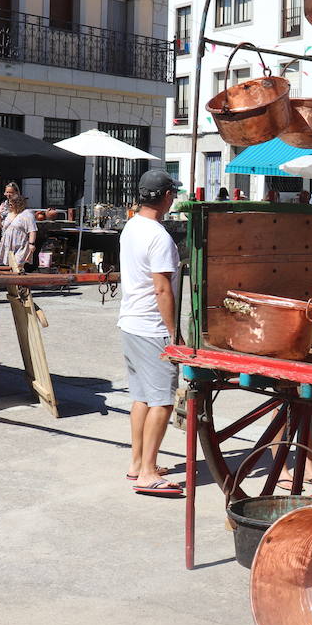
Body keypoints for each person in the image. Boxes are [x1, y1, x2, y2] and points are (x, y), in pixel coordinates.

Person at [118, 168, 183, 496]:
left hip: (130, 323)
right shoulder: (159, 237)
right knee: (162, 401)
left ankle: (137, 463)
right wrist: (173, 333)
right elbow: (162, 290)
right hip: (151, 326)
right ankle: (147, 473)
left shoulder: (131, 226)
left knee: (141, 398)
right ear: (168, 197)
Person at [0, 190, 37, 271]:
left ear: (18, 204)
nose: (9, 206)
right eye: (9, 204)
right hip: (8, 245)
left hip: (20, 245)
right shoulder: (9, 214)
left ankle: (19, 283)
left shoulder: (27, 214)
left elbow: (32, 230)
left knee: (17, 267)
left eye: (11, 204)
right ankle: (12, 283)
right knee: (9, 267)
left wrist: (31, 244)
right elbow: (1, 225)